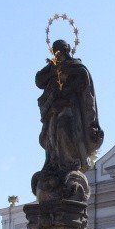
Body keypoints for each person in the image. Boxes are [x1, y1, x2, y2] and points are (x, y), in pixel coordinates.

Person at [36, 40, 104, 176]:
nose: (57, 52)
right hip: (53, 109)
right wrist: (52, 71)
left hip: (70, 107)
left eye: (59, 49)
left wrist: (66, 89)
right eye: (54, 50)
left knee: (63, 128)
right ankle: (53, 163)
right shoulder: (52, 66)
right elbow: (39, 80)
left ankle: (70, 163)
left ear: (67, 50)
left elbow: (82, 81)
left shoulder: (76, 66)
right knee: (51, 135)